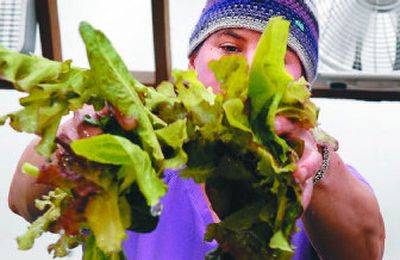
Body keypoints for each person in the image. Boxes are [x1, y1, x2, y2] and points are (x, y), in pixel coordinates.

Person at [8, 0, 385, 259]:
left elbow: (366, 250)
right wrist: (75, 151)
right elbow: (23, 201)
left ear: (303, 86)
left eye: (277, 58)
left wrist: (316, 169)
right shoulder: (137, 152)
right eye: (230, 48)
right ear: (193, 63)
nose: (250, 69)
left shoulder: (323, 178)